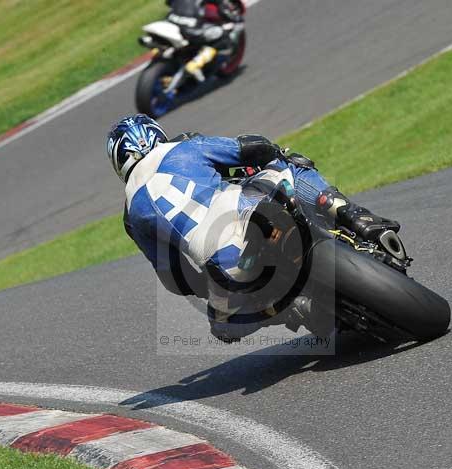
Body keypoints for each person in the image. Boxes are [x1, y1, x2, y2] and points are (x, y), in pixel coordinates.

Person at [107, 114, 400, 341]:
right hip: (253, 210)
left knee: (221, 327)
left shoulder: (132, 214)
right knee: (288, 162)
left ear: (119, 160)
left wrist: (210, 289)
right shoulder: (184, 148)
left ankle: (294, 307)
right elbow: (253, 147)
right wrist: (271, 152)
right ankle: (354, 215)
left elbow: (174, 280)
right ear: (157, 135)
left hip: (227, 269)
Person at [165, 0, 244, 80]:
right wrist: (237, 19)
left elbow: (168, 2)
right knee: (223, 36)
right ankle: (195, 64)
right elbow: (226, 12)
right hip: (191, 28)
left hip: (170, 21)